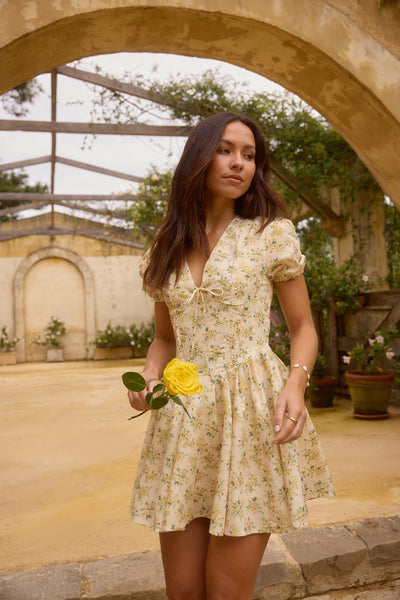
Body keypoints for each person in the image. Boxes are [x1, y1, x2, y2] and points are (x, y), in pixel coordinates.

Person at [128, 111, 334, 600]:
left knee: (227, 590)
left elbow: (304, 328)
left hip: (249, 411)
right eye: (226, 149)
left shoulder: (271, 234)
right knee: (182, 590)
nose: (239, 163)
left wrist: (295, 385)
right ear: (199, 155)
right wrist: (151, 373)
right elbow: (165, 338)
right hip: (183, 414)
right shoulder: (166, 245)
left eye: (249, 154)